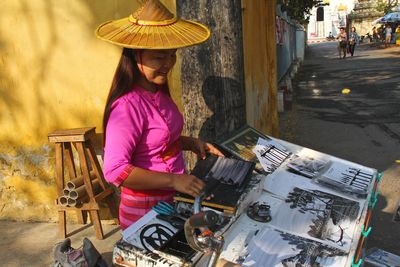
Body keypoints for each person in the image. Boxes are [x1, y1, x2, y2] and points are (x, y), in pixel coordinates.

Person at [95, 0, 224, 230]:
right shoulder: (126, 107)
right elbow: (115, 171)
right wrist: (174, 180)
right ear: (137, 56)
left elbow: (159, 142)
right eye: (158, 57)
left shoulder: (159, 91)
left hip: (170, 202)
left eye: (172, 55)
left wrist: (192, 143)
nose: (168, 64)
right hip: (144, 213)